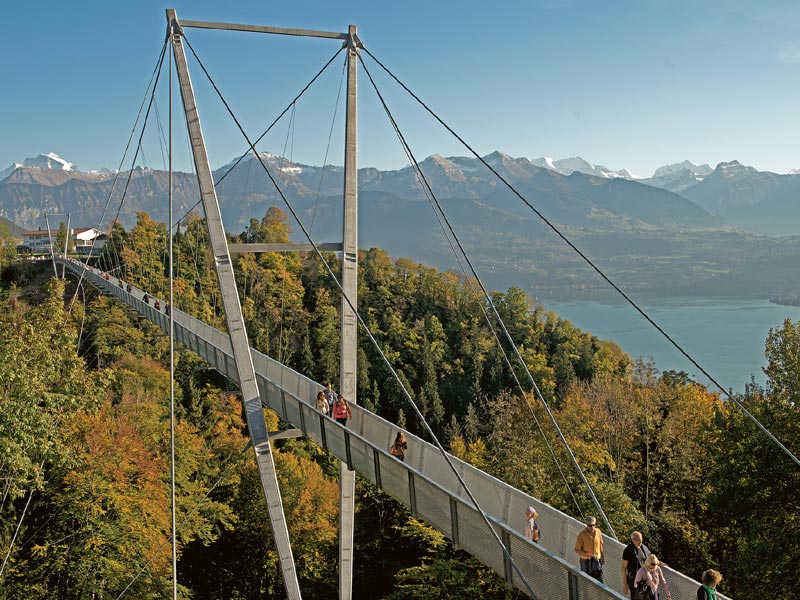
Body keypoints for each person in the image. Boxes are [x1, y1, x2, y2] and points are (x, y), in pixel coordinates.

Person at [622, 531, 651, 598]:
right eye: (638, 540)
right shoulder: (628, 550)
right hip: (634, 579)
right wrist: (625, 585)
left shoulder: (644, 547)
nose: (640, 542)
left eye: (641, 540)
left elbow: (650, 558)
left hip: (645, 578)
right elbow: (623, 568)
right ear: (633, 540)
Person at [575, 516, 604, 582]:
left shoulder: (598, 532)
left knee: (599, 579)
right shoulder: (582, 535)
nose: (592, 527)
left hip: (597, 560)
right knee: (586, 579)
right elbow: (577, 549)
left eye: (593, 525)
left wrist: (602, 557)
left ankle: (599, 592)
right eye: (590, 525)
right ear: (587, 525)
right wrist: (589, 555)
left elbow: (600, 544)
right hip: (586, 561)